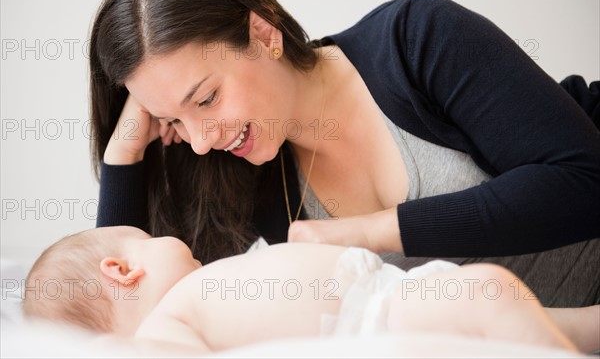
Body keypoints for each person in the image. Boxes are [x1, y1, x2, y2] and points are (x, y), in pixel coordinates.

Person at [89, 0, 600, 307]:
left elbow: (585, 181)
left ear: (264, 33)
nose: (200, 140)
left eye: (205, 98)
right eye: (175, 120)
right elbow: (127, 307)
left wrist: (366, 232)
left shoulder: (415, 39)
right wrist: (125, 149)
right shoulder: (243, 170)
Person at [23, 226, 597, 354]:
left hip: (396, 293)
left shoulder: (198, 291)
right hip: (381, 325)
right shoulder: (164, 326)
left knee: (538, 316)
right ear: (123, 271)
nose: (171, 236)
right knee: (491, 294)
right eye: (150, 236)